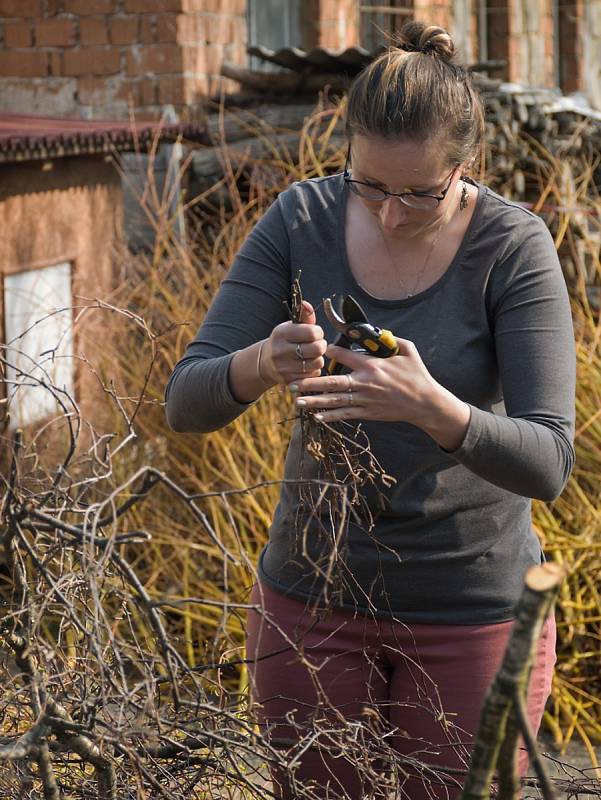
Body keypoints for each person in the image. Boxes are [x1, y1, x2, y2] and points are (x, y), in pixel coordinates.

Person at [165, 21, 575, 800]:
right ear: (345, 151)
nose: (391, 213)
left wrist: (435, 410)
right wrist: (261, 362)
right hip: (311, 598)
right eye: (370, 185)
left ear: (466, 167)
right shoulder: (299, 220)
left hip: (471, 611)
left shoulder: (512, 248)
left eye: (421, 193)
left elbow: (548, 460)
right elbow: (186, 403)